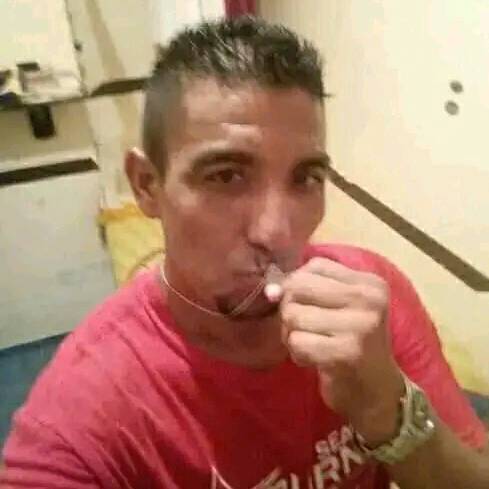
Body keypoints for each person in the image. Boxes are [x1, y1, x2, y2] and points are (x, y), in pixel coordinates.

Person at [1, 16, 488, 489]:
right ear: (147, 185)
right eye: (226, 176)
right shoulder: (81, 417)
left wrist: (389, 413)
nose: (277, 233)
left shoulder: (374, 297)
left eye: (306, 178)